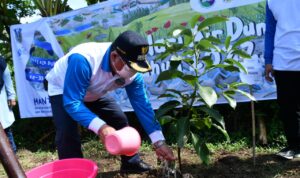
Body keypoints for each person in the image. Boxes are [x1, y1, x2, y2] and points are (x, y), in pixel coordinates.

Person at [45, 30, 175, 173]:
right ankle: (74, 173)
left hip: (93, 91)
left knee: (119, 120)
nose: (133, 72)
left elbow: (143, 105)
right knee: (67, 132)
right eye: (130, 67)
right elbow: (72, 103)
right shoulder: (84, 59)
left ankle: (131, 164)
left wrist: (159, 142)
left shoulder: (132, 75)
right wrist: (101, 127)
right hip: (63, 89)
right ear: (114, 56)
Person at [264, 0, 300, 160]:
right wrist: (268, 60)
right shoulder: (271, 1)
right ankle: (294, 146)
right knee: (288, 108)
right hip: (283, 62)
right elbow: (270, 31)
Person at [0, 56, 17, 153]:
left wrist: (11, 96)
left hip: (1, 102)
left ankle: (12, 155)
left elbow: (7, 79)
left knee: (6, 131)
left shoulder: (0, 61)